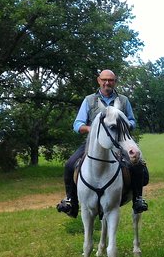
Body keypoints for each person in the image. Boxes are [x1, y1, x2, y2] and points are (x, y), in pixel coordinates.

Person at [56, 69, 148, 217]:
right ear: (99, 80)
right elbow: (77, 124)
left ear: (115, 81)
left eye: (110, 80)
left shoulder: (123, 100)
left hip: (118, 141)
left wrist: (126, 125)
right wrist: (91, 129)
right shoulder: (89, 100)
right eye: (104, 79)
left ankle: (137, 199)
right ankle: (71, 201)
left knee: (137, 164)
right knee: (69, 164)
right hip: (93, 144)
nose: (107, 83)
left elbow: (132, 120)